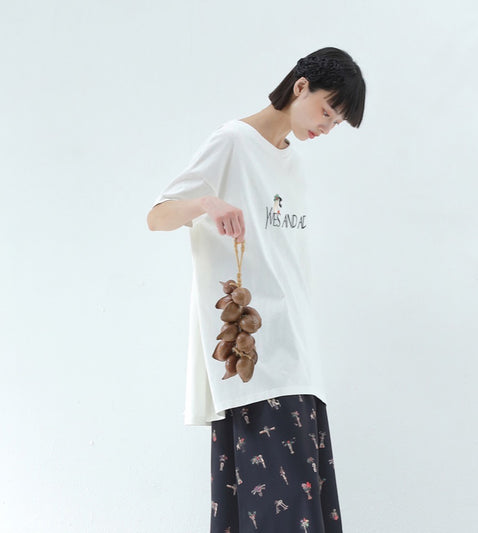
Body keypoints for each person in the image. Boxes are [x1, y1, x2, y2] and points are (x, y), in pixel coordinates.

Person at [147, 46, 365, 533]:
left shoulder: (294, 166)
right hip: (253, 361)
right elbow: (157, 216)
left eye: (336, 123)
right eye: (327, 111)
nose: (327, 127)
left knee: (286, 510)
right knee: (273, 513)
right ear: (301, 86)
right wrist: (206, 203)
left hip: (298, 357)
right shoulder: (233, 142)